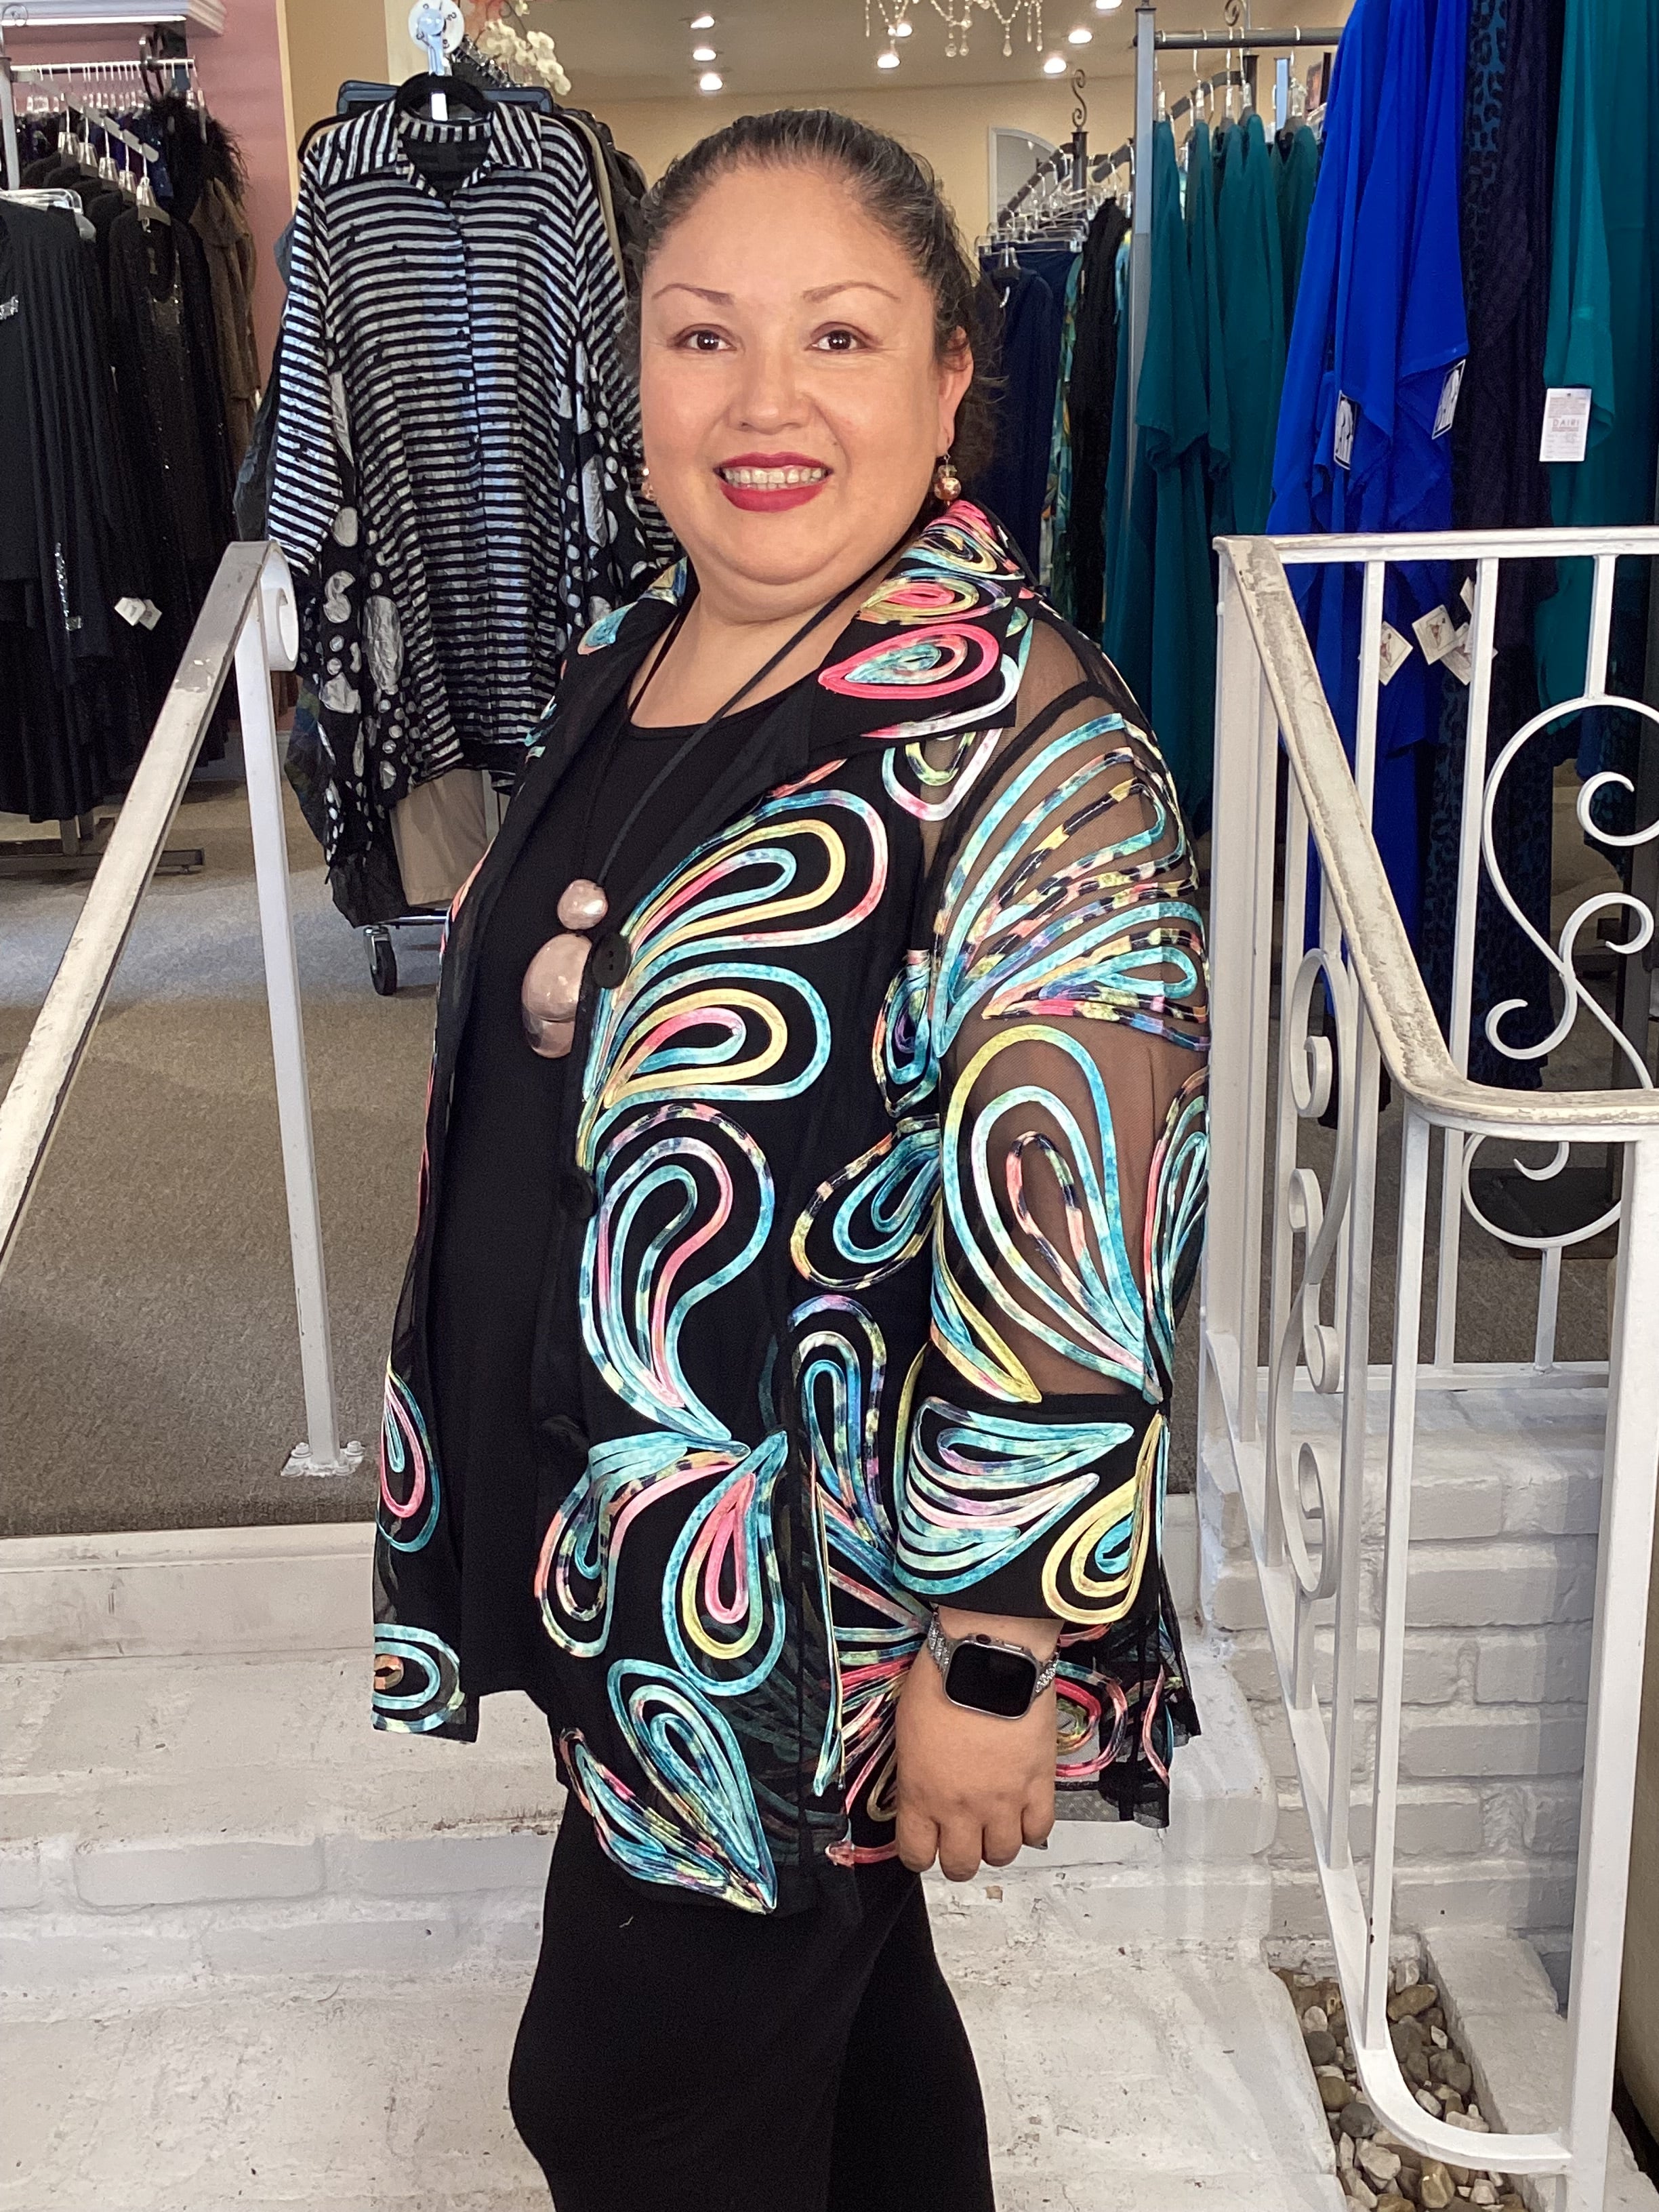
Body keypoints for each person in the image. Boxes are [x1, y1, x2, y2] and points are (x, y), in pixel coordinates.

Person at [370, 107, 1210, 2212]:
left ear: (949, 377)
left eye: (840, 337)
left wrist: (999, 1651)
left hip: (806, 1627)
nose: (764, 402)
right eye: (702, 336)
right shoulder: (631, 656)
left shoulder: (1028, 744)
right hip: (625, 1556)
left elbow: (1081, 1245)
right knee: (854, 2040)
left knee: (621, 2103)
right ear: (635, 372)